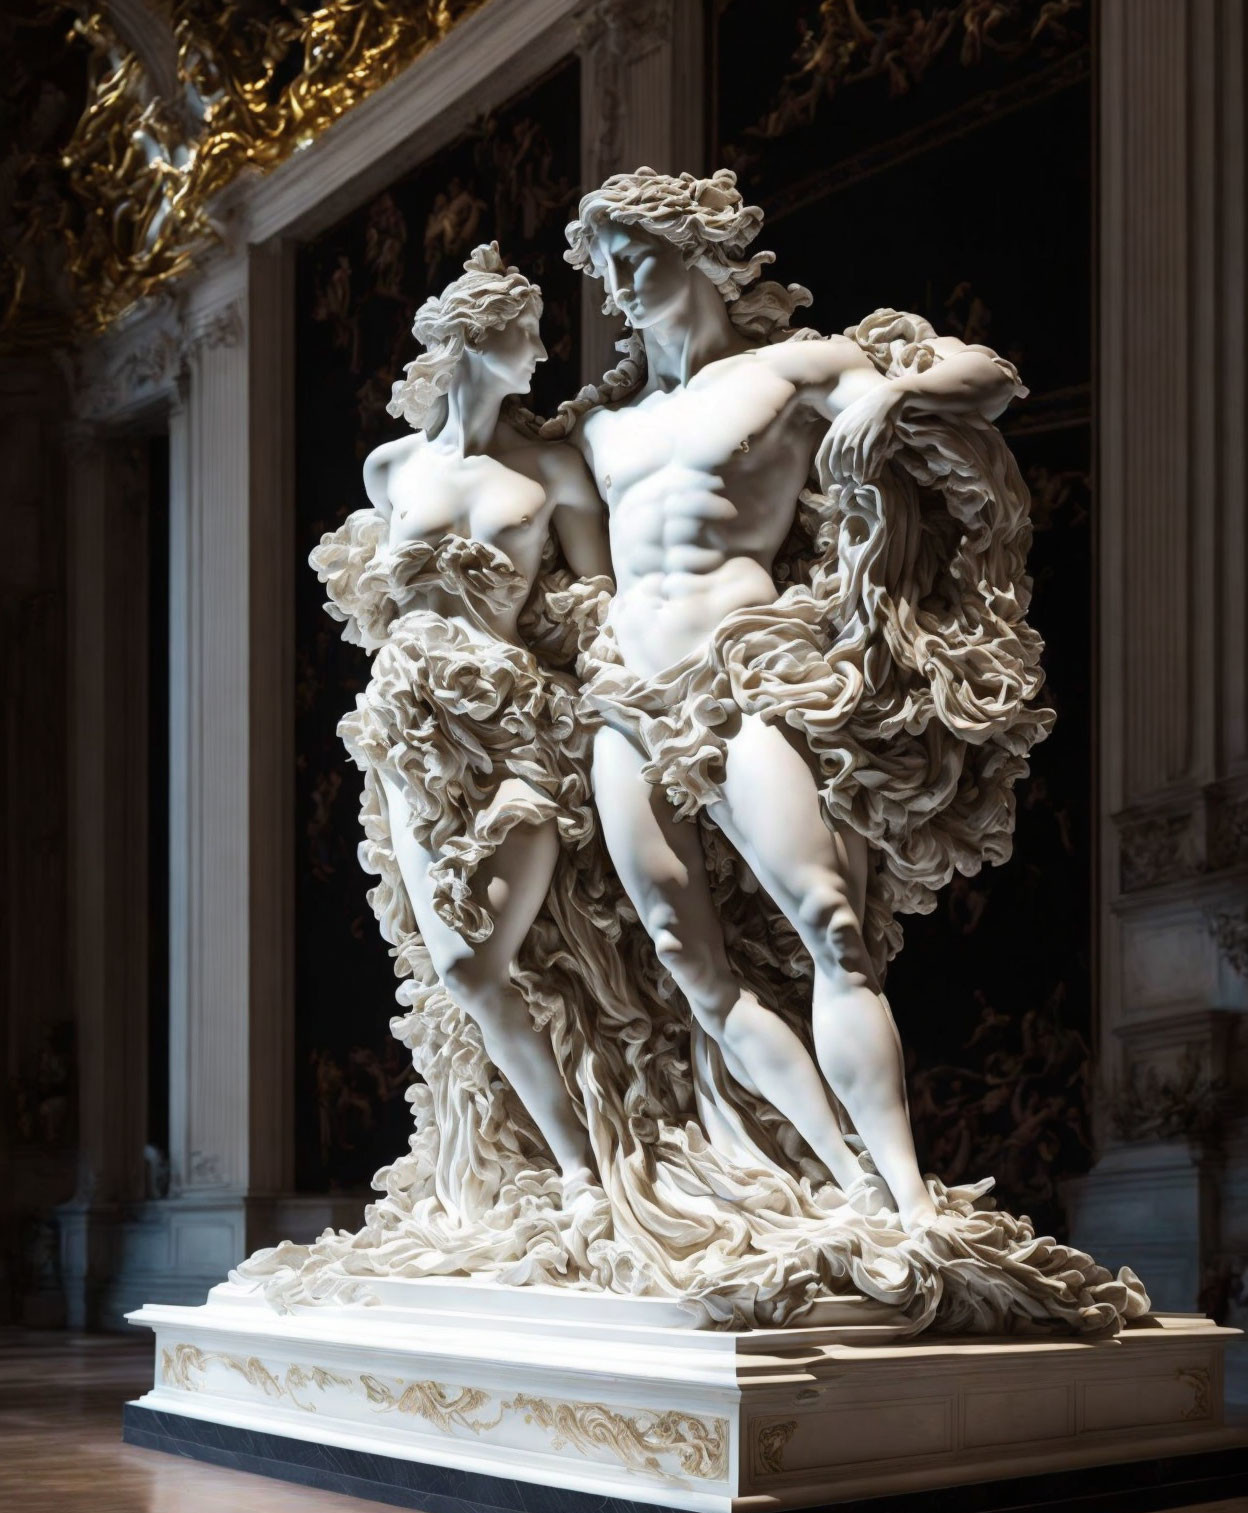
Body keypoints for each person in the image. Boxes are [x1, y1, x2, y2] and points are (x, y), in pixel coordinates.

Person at [558, 169, 1052, 1227]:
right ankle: (846, 1180)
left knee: (831, 924)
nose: (619, 289)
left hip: (740, 671)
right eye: (605, 272)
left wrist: (891, 393)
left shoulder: (793, 368)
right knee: (691, 963)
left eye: (634, 260)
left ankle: (914, 1202)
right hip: (622, 696)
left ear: (695, 253)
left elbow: (990, 376)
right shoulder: (601, 424)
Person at [313, 243, 607, 1185]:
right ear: (474, 345)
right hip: (405, 728)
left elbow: (597, 605)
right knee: (457, 970)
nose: (540, 352)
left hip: (517, 722)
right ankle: (559, 1172)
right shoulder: (390, 468)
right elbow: (375, 608)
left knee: (495, 961)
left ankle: (588, 1173)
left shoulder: (555, 471)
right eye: (525, 335)